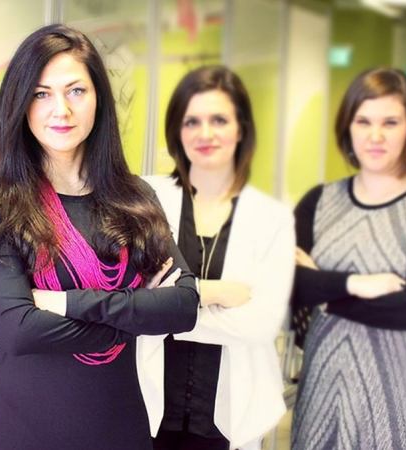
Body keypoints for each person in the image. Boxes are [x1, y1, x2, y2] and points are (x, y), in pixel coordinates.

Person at [0, 24, 200, 450]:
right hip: (21, 434)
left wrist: (65, 303)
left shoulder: (134, 198)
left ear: (98, 98)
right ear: (20, 102)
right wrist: (134, 316)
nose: (61, 110)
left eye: (76, 91)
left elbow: (183, 307)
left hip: (119, 431)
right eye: (41, 93)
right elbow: (17, 331)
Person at [290, 67, 406, 450]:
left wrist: (327, 295)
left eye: (390, 122)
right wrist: (356, 284)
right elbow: (288, 284)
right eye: (364, 121)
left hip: (400, 402)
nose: (375, 135)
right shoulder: (318, 202)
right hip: (322, 395)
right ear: (347, 127)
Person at [141, 66, 294, 450]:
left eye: (219, 120)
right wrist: (216, 293)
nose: (205, 133)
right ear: (177, 129)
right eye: (192, 121)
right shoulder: (146, 199)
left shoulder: (271, 218)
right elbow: (128, 297)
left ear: (241, 129)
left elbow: (260, 323)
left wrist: (166, 311)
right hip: (148, 406)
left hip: (228, 416)